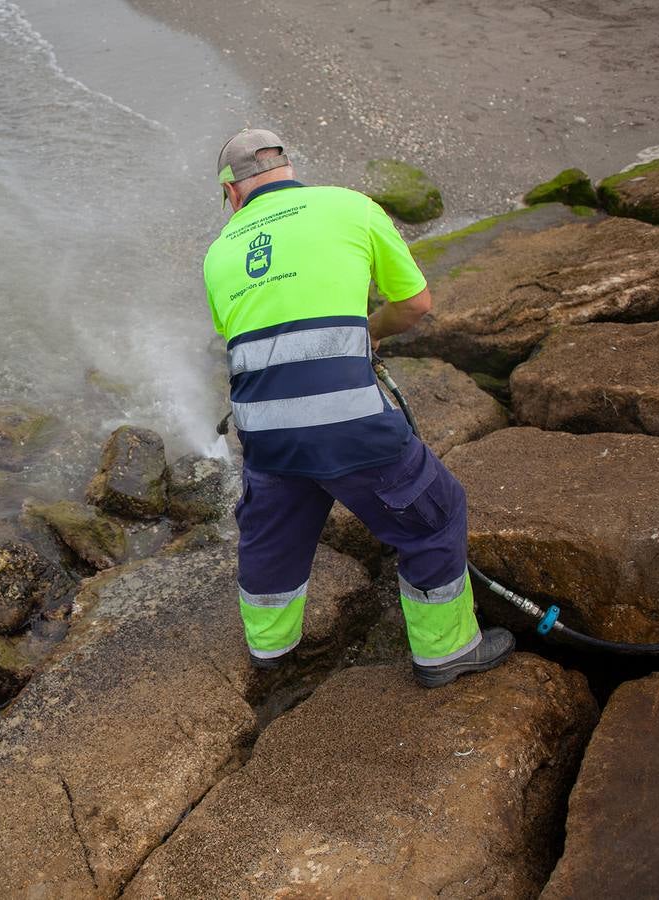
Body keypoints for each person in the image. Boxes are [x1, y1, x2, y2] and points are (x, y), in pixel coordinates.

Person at [204, 128, 513, 687]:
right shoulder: (350, 205)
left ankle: (270, 651)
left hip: (265, 434)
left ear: (232, 192)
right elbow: (415, 305)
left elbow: (246, 338)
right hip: (350, 423)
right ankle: (445, 651)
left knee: (274, 532)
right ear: (289, 169)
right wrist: (368, 331)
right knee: (434, 513)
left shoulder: (220, 252)